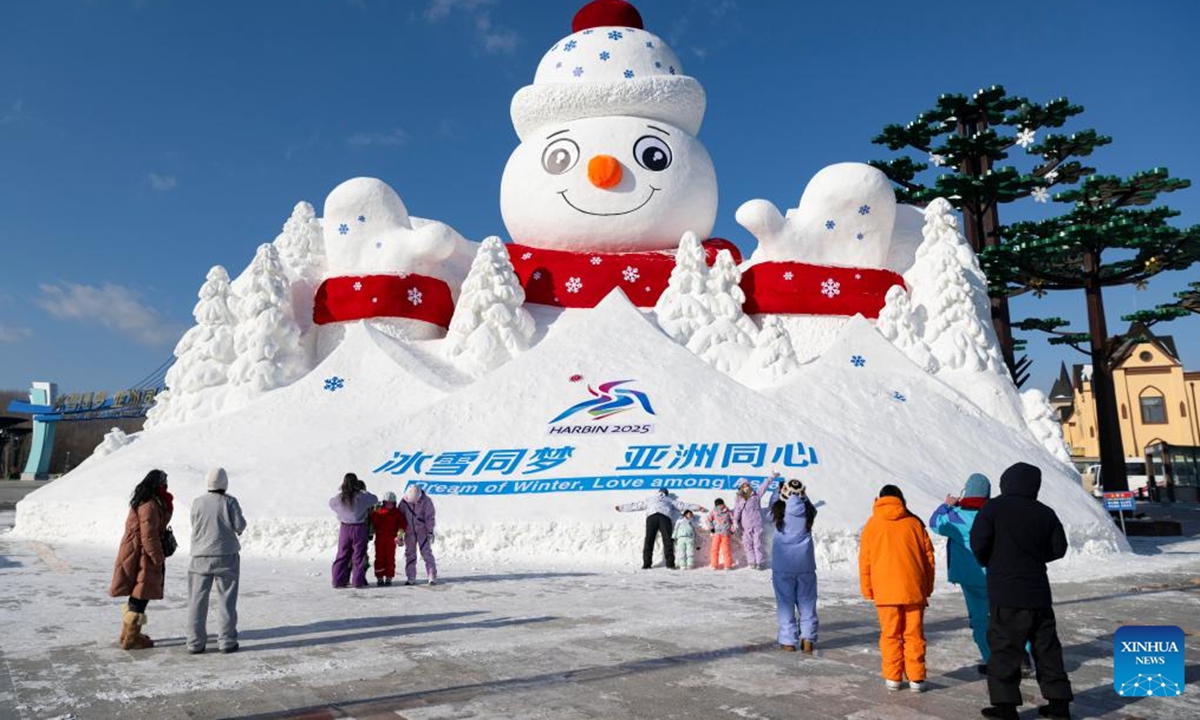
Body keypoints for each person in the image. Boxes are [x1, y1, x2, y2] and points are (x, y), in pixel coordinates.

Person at [972, 462, 1073, 720]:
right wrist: (1035, 558)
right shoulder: (1045, 512)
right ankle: (1059, 705)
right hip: (1038, 592)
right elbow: (1059, 548)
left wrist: (992, 561)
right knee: (1047, 649)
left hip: (1006, 592)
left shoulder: (993, 508)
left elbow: (979, 542)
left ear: (1006, 483)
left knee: (1005, 650)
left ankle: (1005, 708)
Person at [858, 485, 935, 693]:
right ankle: (916, 678)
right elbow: (929, 558)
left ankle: (893, 677)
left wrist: (868, 589)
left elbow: (865, 560)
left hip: (885, 591)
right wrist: (926, 586)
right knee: (914, 635)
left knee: (890, 635)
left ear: (880, 499)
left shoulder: (873, 524)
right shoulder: (914, 523)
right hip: (913, 589)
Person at [928, 472, 992, 674]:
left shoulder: (956, 517)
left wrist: (947, 504)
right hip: (995, 574)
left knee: (980, 619)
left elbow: (935, 522)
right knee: (1007, 617)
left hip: (969, 576)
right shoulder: (993, 514)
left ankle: (992, 660)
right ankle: (1021, 657)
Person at [109, 469, 173, 650]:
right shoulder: (150, 505)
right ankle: (131, 638)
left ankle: (128, 634)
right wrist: (158, 557)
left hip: (138, 552)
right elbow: (149, 536)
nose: (166, 485)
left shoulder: (147, 501)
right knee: (140, 595)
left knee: (137, 594)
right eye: (164, 482)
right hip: (143, 556)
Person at [187, 467, 247, 655]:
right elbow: (240, 525)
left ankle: (195, 643)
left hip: (199, 557)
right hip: (226, 555)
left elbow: (194, 524)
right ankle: (227, 641)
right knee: (226, 600)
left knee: (197, 600)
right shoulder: (230, 501)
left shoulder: (197, 502)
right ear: (225, 483)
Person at [770, 477, 819, 653]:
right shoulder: (808, 513)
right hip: (805, 566)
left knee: (785, 603)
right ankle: (807, 639)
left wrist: (778, 490)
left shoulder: (778, 513)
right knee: (807, 603)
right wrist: (803, 496)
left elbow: (773, 503)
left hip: (783, 566)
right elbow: (812, 508)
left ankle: (788, 641)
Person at [615, 489, 706, 570]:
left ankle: (647, 564)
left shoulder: (650, 499)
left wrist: (622, 507)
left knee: (649, 540)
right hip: (664, 517)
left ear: (658, 492)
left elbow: (637, 505)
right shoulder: (669, 500)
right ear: (666, 493)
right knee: (667, 541)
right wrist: (697, 507)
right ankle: (670, 564)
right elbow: (682, 505)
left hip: (652, 517)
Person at [328, 473, 378, 589]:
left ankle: (338, 580)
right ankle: (357, 581)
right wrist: (364, 492)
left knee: (342, 555)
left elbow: (331, 502)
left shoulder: (340, 498)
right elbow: (374, 499)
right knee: (358, 556)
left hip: (345, 528)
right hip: (359, 528)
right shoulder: (361, 496)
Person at [732, 474, 774, 570]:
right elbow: (737, 510)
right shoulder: (739, 498)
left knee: (758, 543)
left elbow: (764, 486)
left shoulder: (756, 495)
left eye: (747, 485)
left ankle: (760, 562)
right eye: (743, 486)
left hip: (757, 523)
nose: (746, 487)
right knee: (748, 544)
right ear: (740, 488)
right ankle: (752, 561)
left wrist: (771, 477)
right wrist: (735, 521)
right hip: (746, 525)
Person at [400, 484, 437, 585]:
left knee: (426, 553)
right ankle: (411, 577)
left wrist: (430, 531)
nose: (414, 503)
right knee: (410, 554)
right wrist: (400, 533)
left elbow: (430, 517)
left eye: (416, 501)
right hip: (409, 532)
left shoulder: (426, 501)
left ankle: (431, 575)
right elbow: (400, 518)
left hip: (422, 531)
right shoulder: (403, 502)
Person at [370, 492, 406, 586]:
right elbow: (373, 521)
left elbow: (402, 524)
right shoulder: (379, 511)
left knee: (390, 558)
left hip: (391, 538)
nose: (389, 505)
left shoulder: (397, 513)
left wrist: (400, 534)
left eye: (391, 503)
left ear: (394, 503)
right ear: (383, 502)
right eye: (387, 503)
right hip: (380, 538)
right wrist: (375, 512)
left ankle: (389, 577)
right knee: (379, 558)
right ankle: (380, 577)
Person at [705, 498, 736, 570]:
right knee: (714, 549)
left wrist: (732, 530)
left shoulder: (728, 512)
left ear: (723, 504)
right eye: (718, 505)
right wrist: (711, 528)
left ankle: (728, 565)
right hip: (716, 534)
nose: (720, 506)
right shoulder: (714, 512)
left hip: (725, 533)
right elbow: (708, 520)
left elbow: (734, 521)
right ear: (716, 505)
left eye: (721, 504)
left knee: (726, 549)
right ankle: (714, 565)